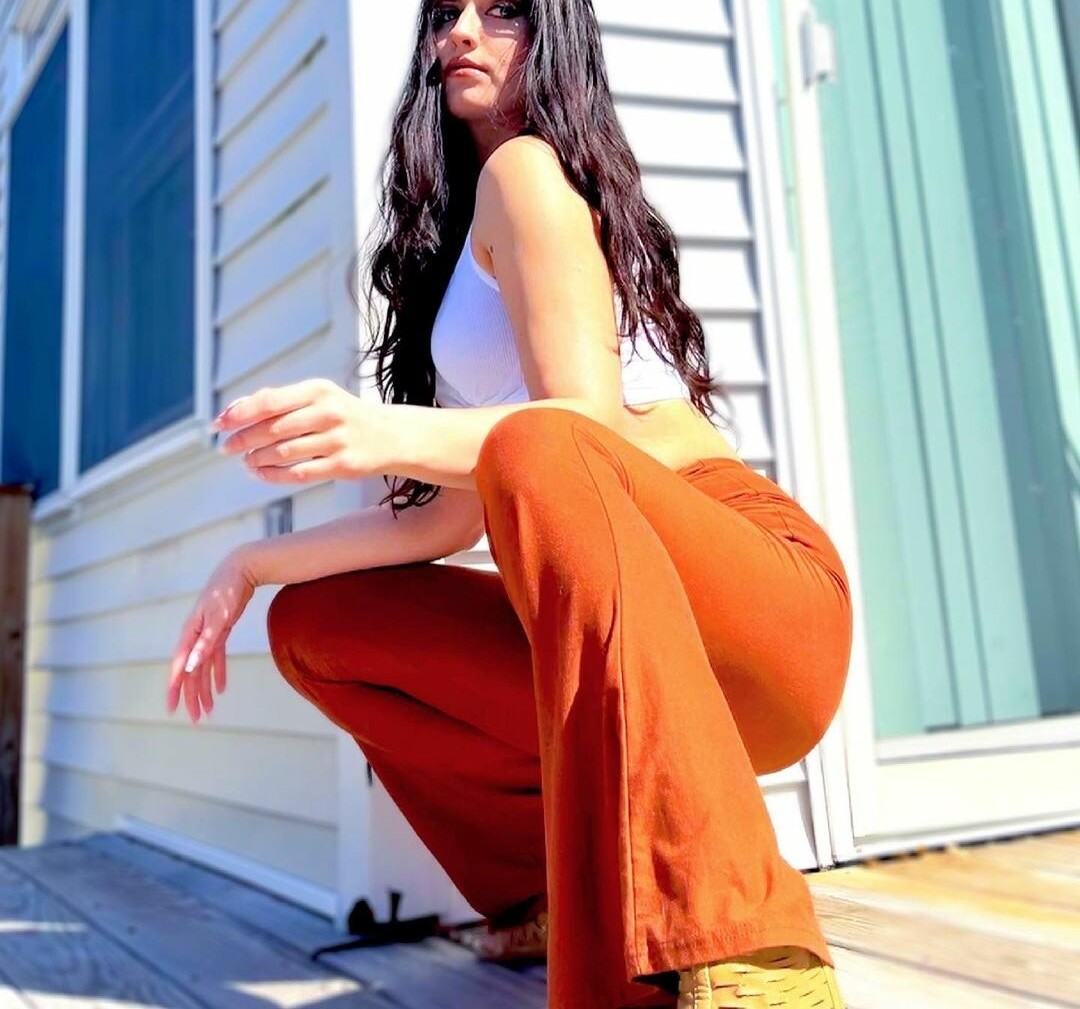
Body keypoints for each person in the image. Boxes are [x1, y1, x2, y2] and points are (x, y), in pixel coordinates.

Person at [166, 2, 853, 1006]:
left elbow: (580, 428)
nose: (460, 34)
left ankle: (747, 942)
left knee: (541, 442)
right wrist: (250, 565)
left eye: (500, 13)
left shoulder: (527, 172)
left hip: (761, 610)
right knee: (318, 626)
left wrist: (381, 430)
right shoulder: (461, 249)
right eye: (446, 14)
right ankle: (542, 885)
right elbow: (450, 521)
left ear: (555, 34)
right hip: (631, 641)